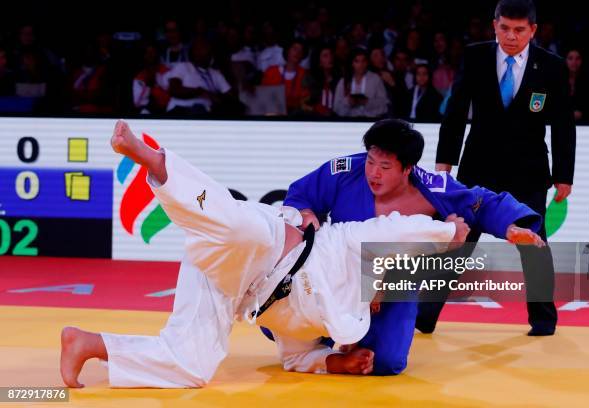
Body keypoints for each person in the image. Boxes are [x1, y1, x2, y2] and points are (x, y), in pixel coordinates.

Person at [59, 120, 469, 389]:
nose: (379, 297)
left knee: (192, 367)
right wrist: (451, 231)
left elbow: (296, 356)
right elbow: (401, 229)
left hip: (229, 283)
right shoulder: (354, 243)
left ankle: (88, 344)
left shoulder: (336, 318)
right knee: (235, 225)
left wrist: (335, 364)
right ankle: (150, 158)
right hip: (269, 243)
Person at [260, 118, 545, 376]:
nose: (373, 173)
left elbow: (481, 202)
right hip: (336, 270)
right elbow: (301, 194)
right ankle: (323, 337)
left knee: (383, 363)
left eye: (385, 167)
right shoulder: (345, 171)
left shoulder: (432, 190)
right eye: (371, 161)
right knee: (278, 320)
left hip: (392, 281)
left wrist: (510, 226)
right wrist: (305, 214)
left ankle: (345, 336)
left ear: (408, 169)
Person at [435, 0, 576, 336]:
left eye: (519, 30)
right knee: (457, 240)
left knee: (534, 242)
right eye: (504, 28)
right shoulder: (475, 56)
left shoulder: (552, 66)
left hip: (528, 170)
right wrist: (444, 162)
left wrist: (564, 175)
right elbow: (455, 111)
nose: (511, 36)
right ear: (494, 25)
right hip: (478, 167)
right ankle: (424, 314)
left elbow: (563, 124)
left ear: (533, 30)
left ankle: (543, 320)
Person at [333, 48, 389, 118]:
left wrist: (366, 102)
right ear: (352, 63)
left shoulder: (375, 79)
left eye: (363, 61)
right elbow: (336, 107)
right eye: (357, 61)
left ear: (367, 62)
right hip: (349, 122)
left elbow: (384, 104)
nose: (361, 65)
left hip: (370, 121)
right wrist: (348, 102)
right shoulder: (344, 81)